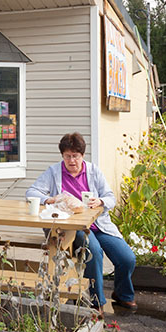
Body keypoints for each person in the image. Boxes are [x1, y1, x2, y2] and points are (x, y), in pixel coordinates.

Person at [25, 132, 136, 311]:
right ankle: (95, 302)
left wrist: (100, 201)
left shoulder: (93, 171)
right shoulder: (54, 172)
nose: (71, 160)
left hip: (98, 224)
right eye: (67, 156)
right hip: (73, 227)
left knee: (127, 258)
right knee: (93, 251)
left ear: (82, 155)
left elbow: (110, 197)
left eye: (75, 156)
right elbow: (31, 192)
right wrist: (51, 199)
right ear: (62, 156)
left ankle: (123, 294)